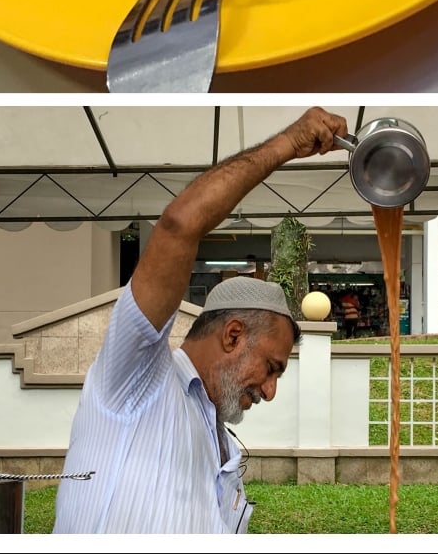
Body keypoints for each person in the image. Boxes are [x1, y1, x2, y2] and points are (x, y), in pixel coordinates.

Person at [53, 107, 348, 533]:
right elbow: (178, 226)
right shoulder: (139, 379)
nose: (270, 391)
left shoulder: (220, 438)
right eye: (271, 368)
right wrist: (288, 143)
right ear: (233, 335)